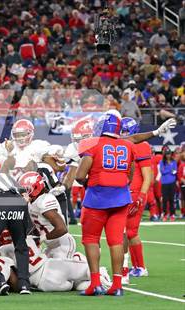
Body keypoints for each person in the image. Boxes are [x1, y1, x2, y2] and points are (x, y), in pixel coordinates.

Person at [75, 111, 176, 297]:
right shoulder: (128, 145)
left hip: (97, 199)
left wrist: (92, 182)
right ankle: (117, 284)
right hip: (121, 199)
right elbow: (129, 174)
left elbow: (80, 176)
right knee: (116, 241)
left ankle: (95, 283)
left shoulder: (92, 144)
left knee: (91, 240)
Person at [120, 118, 152, 283]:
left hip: (135, 194)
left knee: (127, 232)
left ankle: (137, 267)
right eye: (122, 131)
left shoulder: (141, 145)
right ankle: (138, 267)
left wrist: (141, 196)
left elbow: (148, 175)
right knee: (129, 232)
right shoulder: (123, 145)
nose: (123, 134)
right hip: (126, 193)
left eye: (126, 131)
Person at [18, 171, 76, 259]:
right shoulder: (33, 202)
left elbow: (62, 228)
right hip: (51, 246)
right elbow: (38, 225)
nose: (23, 193)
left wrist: (42, 238)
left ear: (35, 188)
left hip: (62, 245)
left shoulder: (44, 201)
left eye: (25, 189)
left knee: (59, 271)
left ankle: (79, 261)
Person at [159, 148, 177, 221]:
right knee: (165, 200)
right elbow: (162, 171)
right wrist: (170, 169)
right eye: (167, 154)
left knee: (172, 199)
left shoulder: (174, 162)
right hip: (164, 183)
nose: (168, 155)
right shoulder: (162, 162)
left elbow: (175, 171)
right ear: (165, 155)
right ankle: (165, 214)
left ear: (171, 154)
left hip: (172, 182)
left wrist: (168, 170)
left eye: (169, 154)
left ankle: (172, 214)